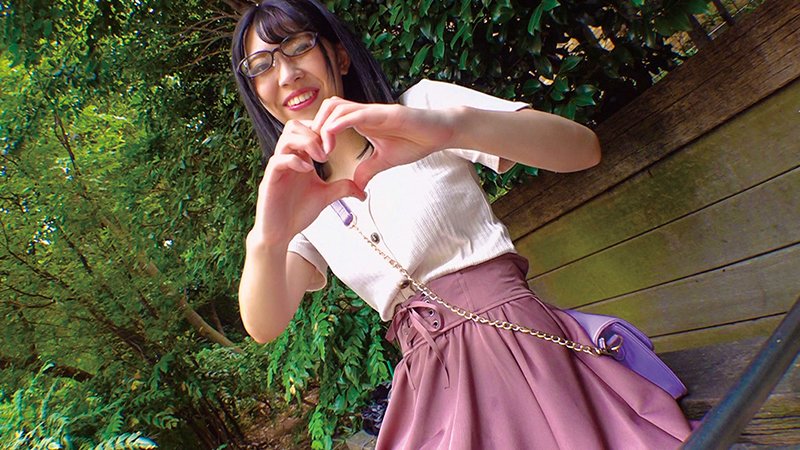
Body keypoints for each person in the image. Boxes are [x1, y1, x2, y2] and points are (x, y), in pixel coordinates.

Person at [232, 1, 693, 448]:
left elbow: (581, 149)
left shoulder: (421, 107)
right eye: (261, 65)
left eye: (298, 46)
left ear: (339, 55)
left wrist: (449, 129)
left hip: (522, 348)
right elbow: (264, 323)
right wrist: (267, 236)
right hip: (430, 386)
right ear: (257, 94)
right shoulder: (296, 197)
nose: (286, 74)